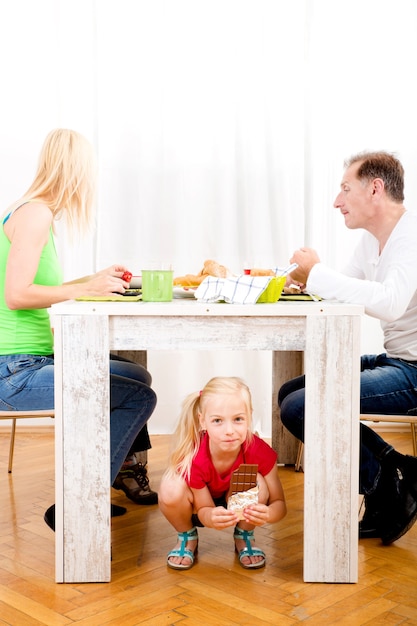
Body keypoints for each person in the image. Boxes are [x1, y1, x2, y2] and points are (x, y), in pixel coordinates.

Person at [0, 128, 157, 524]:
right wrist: (88, 287)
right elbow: (16, 295)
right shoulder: (34, 215)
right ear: (75, 172)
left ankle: (118, 467)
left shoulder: (34, 214)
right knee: (138, 397)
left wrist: (94, 278)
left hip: (27, 362)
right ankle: (78, 499)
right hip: (13, 373)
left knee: (135, 374)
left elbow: (41, 287)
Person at [279, 150, 417, 545]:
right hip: (399, 360)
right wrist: (307, 284)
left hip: (415, 372)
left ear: (375, 189)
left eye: (345, 189)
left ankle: (385, 488)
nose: (337, 201)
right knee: (290, 391)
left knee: (301, 406)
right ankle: (399, 471)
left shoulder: (411, 235)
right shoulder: (374, 242)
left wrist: (319, 274)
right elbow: (345, 293)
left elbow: (389, 303)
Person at [159, 376, 287, 570]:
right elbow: (203, 509)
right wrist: (210, 517)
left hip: (239, 504)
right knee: (170, 487)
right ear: (203, 422)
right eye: (218, 420)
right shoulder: (194, 455)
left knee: (257, 481)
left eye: (238, 419)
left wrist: (268, 514)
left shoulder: (259, 451)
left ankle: (244, 534)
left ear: (249, 417)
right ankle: (187, 536)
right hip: (197, 504)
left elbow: (280, 504)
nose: (229, 431)